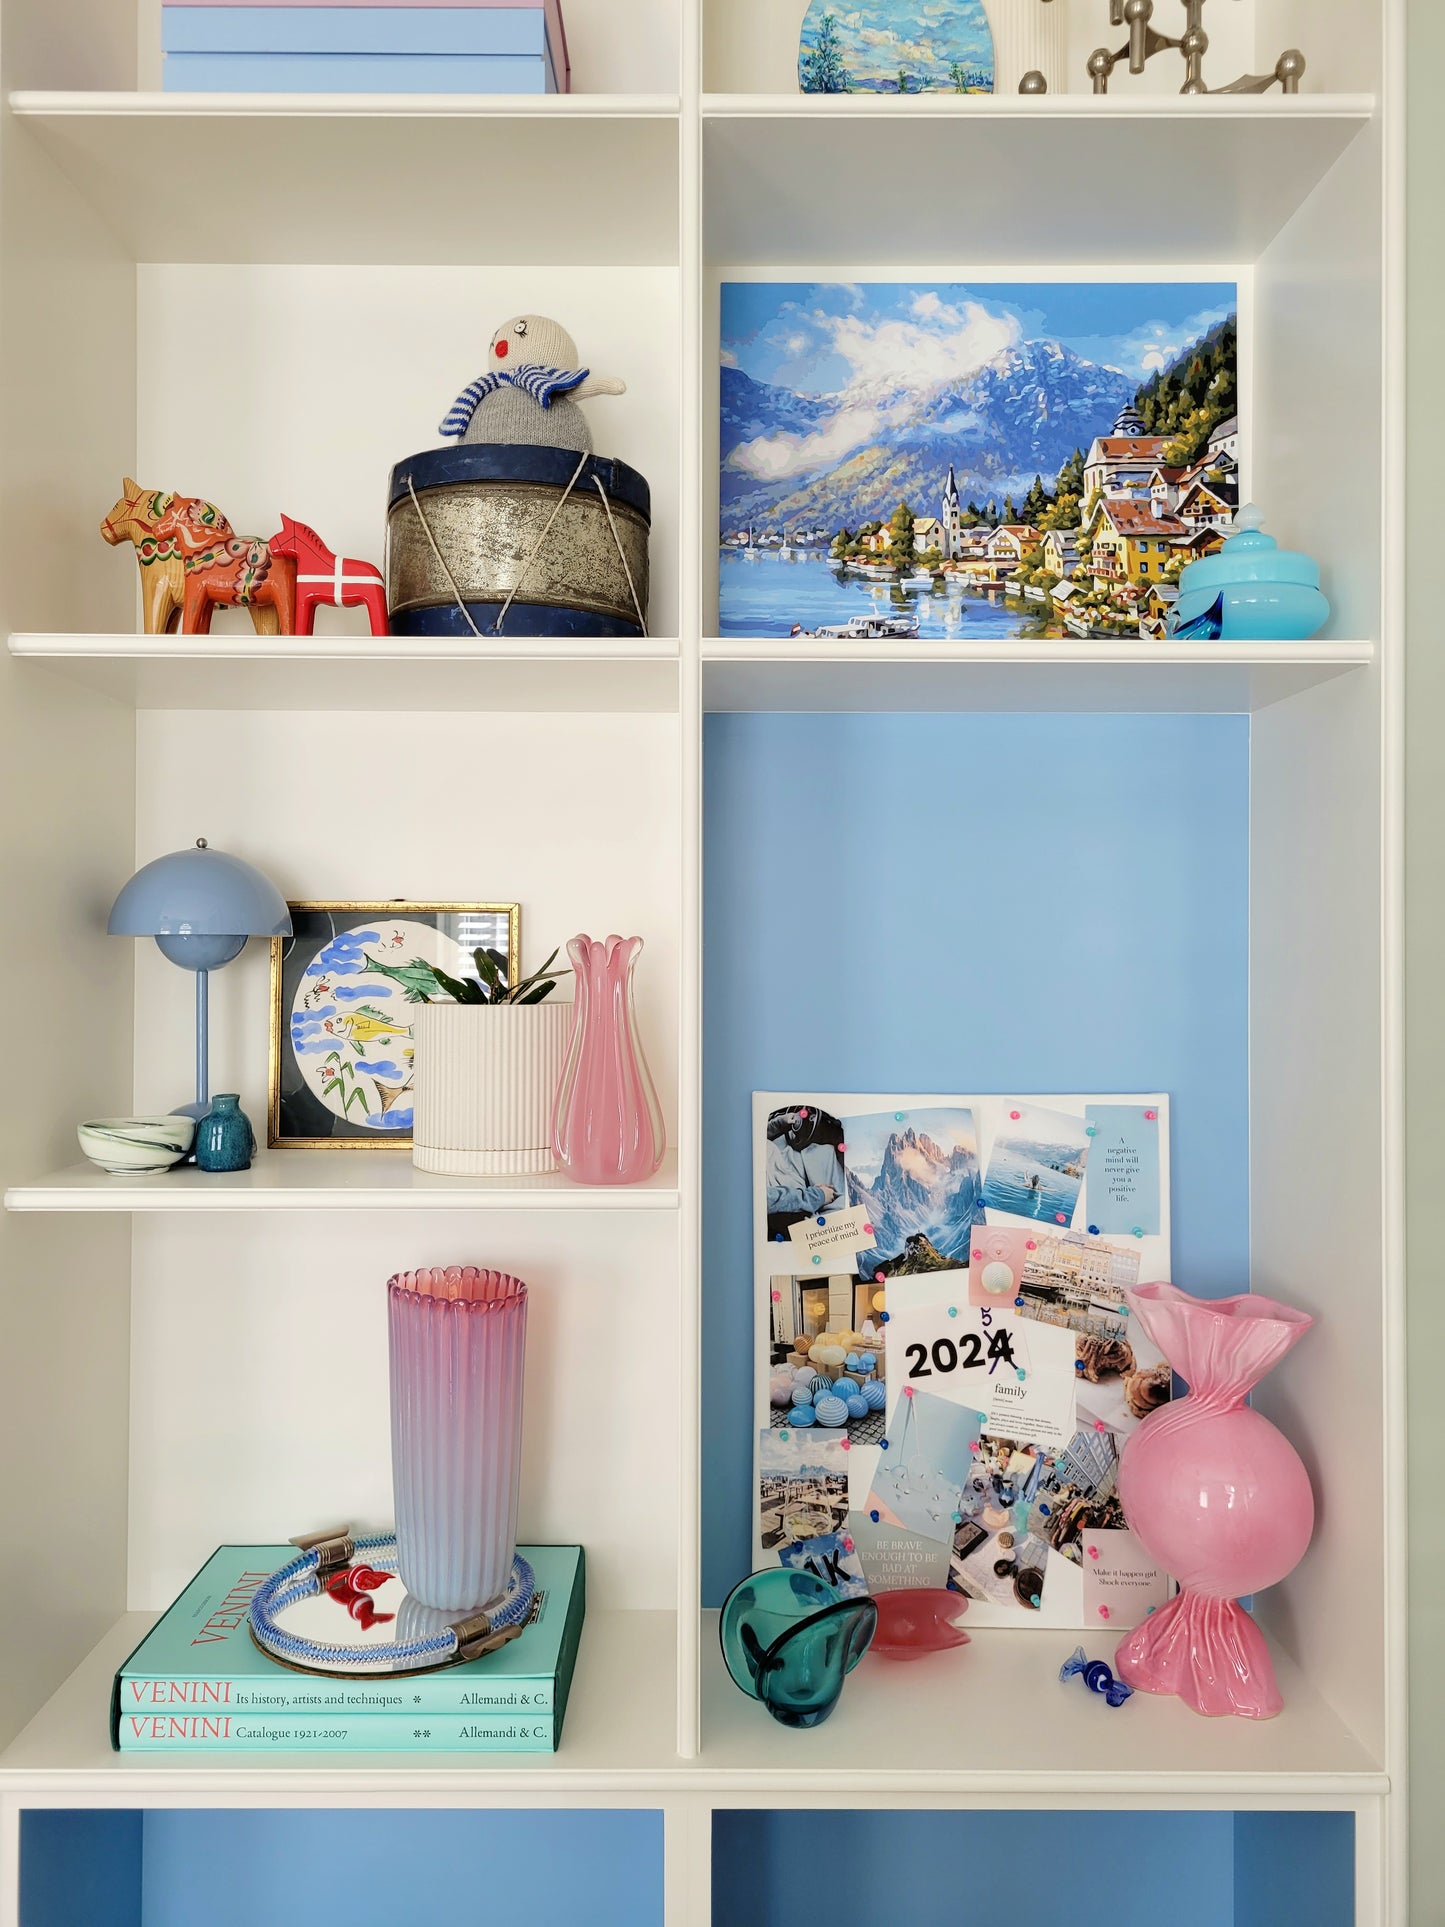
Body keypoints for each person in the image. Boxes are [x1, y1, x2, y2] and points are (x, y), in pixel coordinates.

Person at [765, 1108, 846, 1235]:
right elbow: (770, 1199)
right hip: (783, 1181)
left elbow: (753, 1140)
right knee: (827, 1153)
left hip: (775, 1156)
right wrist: (817, 1195)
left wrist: (778, 1124)